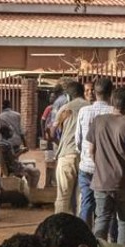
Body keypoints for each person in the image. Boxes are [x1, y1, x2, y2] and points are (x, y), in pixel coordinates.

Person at [85, 86, 125, 245]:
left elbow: (91, 150)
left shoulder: (99, 121)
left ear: (112, 102)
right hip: (123, 182)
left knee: (102, 220)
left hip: (101, 181)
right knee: (124, 221)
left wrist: (101, 166)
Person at [75, 77, 116, 227]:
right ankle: (107, 243)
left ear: (94, 93)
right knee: (106, 209)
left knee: (86, 204)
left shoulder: (84, 112)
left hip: (86, 166)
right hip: (107, 169)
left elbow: (78, 141)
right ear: (111, 93)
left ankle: (83, 236)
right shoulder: (114, 112)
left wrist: (85, 155)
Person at [52, 80, 88, 216]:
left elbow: (51, 132)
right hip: (85, 156)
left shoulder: (65, 108)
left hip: (66, 155)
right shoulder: (89, 107)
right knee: (81, 196)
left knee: (63, 196)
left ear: (68, 95)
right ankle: (80, 228)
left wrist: (61, 142)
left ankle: (59, 226)